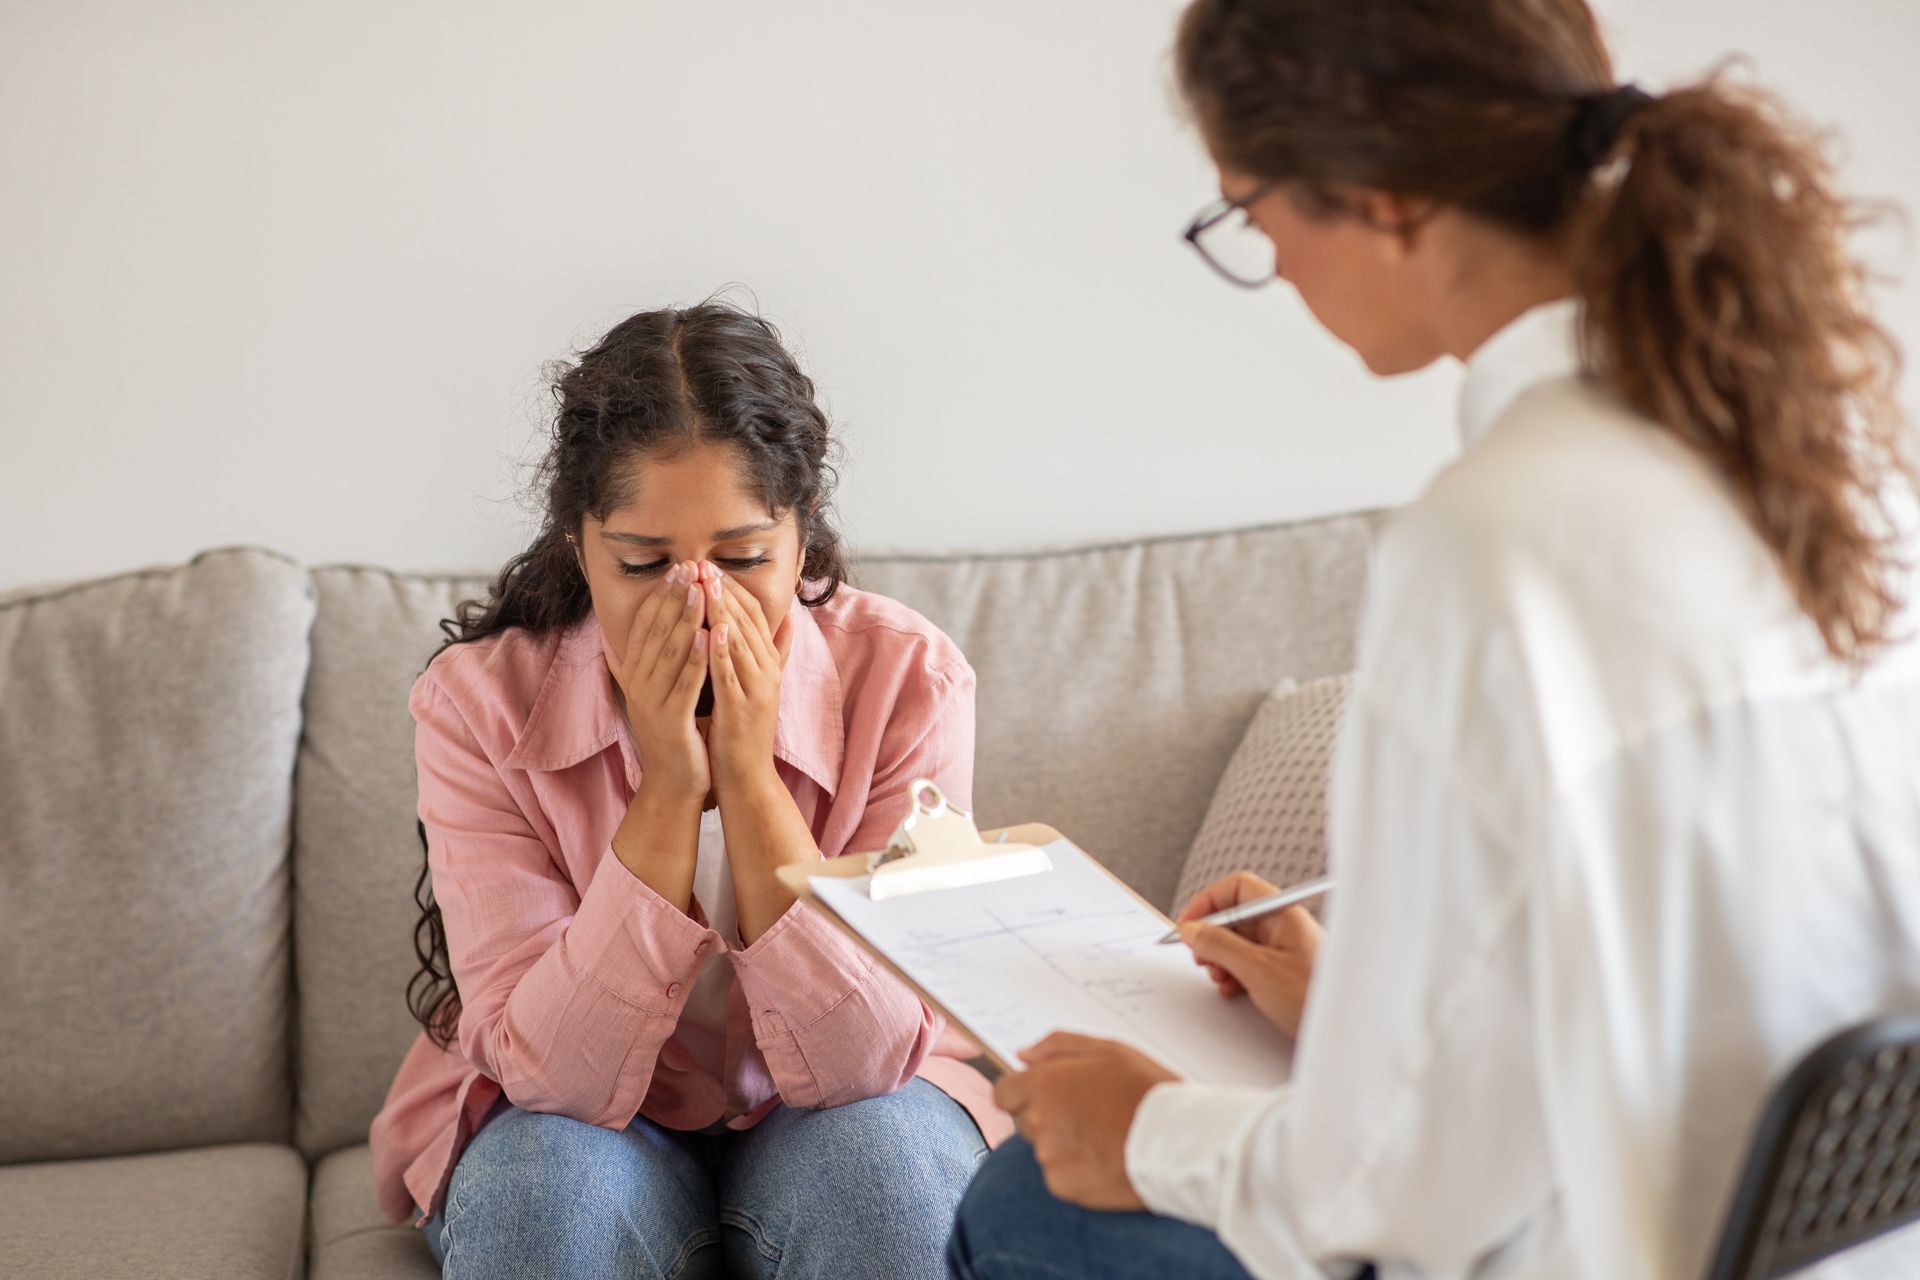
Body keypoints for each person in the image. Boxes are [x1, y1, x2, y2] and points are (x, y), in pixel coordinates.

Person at [948, 2, 1920, 1277]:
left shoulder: (1492, 542)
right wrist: (1357, 1004)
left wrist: (1143, 1130)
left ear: (1378, 193)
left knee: (1027, 1197)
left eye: (1254, 212)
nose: (1278, 266)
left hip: (1597, 1240)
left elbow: (1399, 1194)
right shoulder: (1831, 455)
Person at [368, 300, 1007, 1280]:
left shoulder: (909, 680)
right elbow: (552, 1071)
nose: (698, 602)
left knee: (891, 1182)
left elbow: (867, 1057)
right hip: (577, 1125)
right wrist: (667, 790)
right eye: (644, 562)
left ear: (802, 542)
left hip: (838, 1113)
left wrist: (749, 777)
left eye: (744, 559)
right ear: (581, 547)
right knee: (550, 1203)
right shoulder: (477, 706)